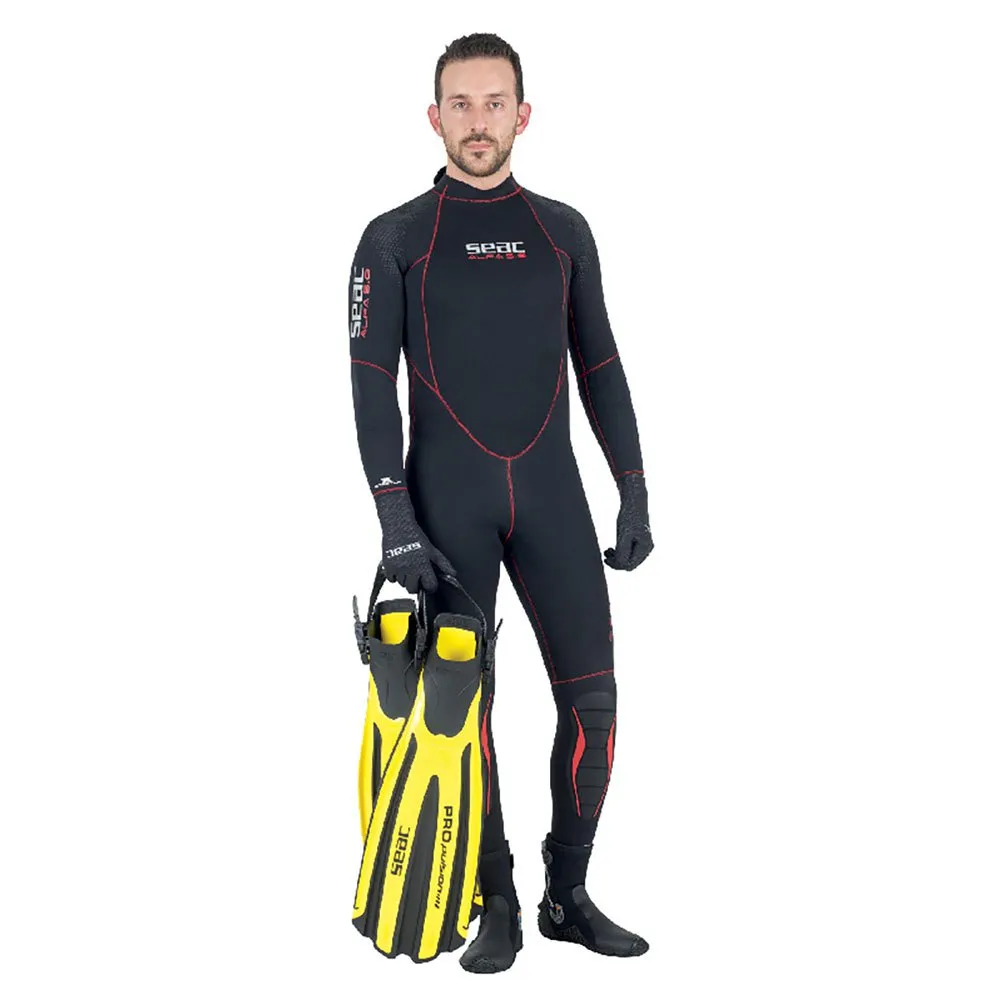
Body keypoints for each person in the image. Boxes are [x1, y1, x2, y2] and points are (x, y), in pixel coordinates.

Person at [347, 32, 654, 973]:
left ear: (522, 115)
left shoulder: (564, 232)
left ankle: (569, 894)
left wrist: (634, 488)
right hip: (448, 507)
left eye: (493, 104)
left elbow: (600, 365)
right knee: (460, 713)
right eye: (460, 104)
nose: (477, 122)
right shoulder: (394, 239)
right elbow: (370, 385)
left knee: (594, 707)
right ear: (433, 117)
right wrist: (396, 521)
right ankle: (498, 899)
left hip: (554, 497)